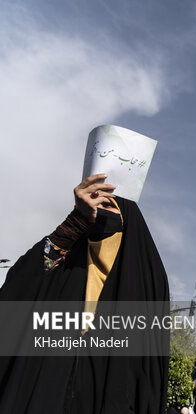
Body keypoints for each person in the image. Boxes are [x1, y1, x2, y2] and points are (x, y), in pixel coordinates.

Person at [0, 174, 170, 413]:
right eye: (96, 207)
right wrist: (74, 223)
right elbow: (17, 291)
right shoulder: (67, 269)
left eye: (108, 206)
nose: (100, 214)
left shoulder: (148, 284)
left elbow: (150, 374)